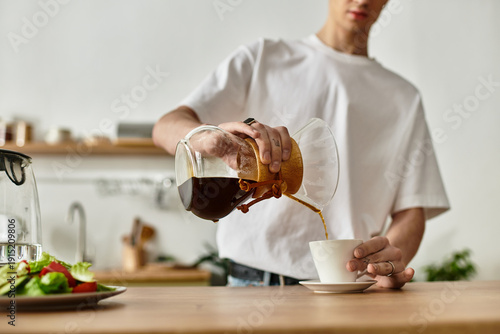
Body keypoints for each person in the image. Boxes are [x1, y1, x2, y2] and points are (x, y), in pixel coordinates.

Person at [153, 0, 450, 288]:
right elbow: (165, 127)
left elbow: (412, 209)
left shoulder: (402, 97)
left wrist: (385, 262)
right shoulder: (263, 58)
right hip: (253, 283)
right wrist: (202, 134)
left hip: (350, 285)